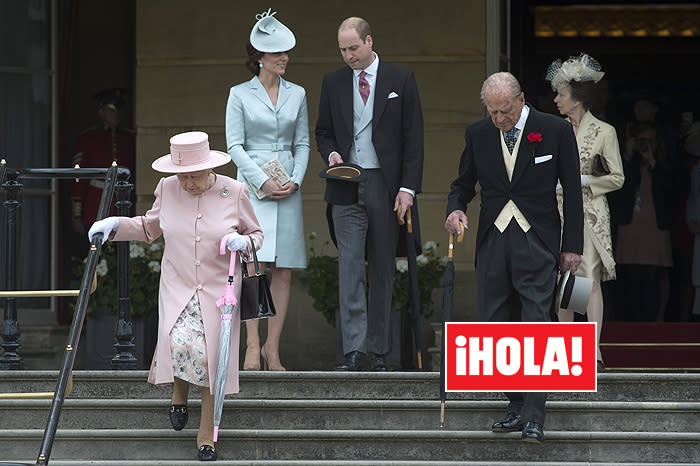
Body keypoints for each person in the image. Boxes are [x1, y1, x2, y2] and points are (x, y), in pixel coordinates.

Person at [88, 131, 263, 461]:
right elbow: (147, 228)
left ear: (209, 169)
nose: (187, 183)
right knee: (182, 345)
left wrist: (244, 242)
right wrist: (112, 225)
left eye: (194, 177)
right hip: (178, 284)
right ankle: (179, 394)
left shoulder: (234, 191)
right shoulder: (167, 189)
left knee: (213, 359)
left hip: (218, 290)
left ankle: (206, 435)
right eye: (182, 176)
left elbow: (256, 235)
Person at [445, 72, 583, 443]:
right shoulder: (477, 133)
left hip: (537, 240)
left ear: (521, 100)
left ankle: (536, 413)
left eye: (504, 111)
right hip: (492, 241)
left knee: (535, 322)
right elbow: (462, 185)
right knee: (495, 323)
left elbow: (572, 191)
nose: (498, 119)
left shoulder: (553, 129)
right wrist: (456, 209)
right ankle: (515, 404)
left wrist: (572, 245)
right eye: (492, 112)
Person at [315, 17, 424, 371]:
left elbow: (414, 140)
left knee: (382, 266)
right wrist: (331, 154)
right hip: (346, 182)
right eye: (343, 50)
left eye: (354, 48)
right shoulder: (332, 83)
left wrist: (408, 188)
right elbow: (324, 131)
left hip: (386, 185)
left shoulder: (400, 79)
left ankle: (379, 350)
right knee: (349, 267)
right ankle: (353, 350)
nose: (349, 56)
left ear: (369, 41)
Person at [225, 9, 309, 371]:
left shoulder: (299, 94)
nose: (284, 58)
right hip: (254, 189)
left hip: (288, 188)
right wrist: (261, 180)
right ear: (259, 56)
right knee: (252, 265)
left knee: (284, 268)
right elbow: (234, 146)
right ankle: (252, 346)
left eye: (287, 52)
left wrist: (296, 179)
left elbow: (303, 143)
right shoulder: (239, 94)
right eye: (277, 53)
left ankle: (273, 349)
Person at [545, 53, 624, 369]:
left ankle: (593, 352)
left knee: (588, 278)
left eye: (561, 94)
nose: (556, 100)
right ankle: (566, 349)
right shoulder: (554, 129)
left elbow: (617, 177)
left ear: (577, 99)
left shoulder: (605, 132)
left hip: (590, 214)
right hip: (557, 212)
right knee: (565, 280)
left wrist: (583, 181)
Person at [610, 113, 675, 322]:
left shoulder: (664, 163)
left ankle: (655, 320)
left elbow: (673, 189)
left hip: (656, 227)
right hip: (631, 226)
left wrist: (653, 162)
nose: (645, 146)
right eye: (642, 141)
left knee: (654, 276)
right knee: (631, 277)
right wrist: (628, 157)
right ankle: (631, 321)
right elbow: (617, 188)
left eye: (649, 141)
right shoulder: (628, 165)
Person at [71, 88, 136, 239]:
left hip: (123, 202)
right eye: (111, 110)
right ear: (101, 112)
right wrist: (76, 215)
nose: (116, 114)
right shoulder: (89, 138)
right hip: (95, 204)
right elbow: (78, 179)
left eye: (118, 110)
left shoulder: (129, 138)